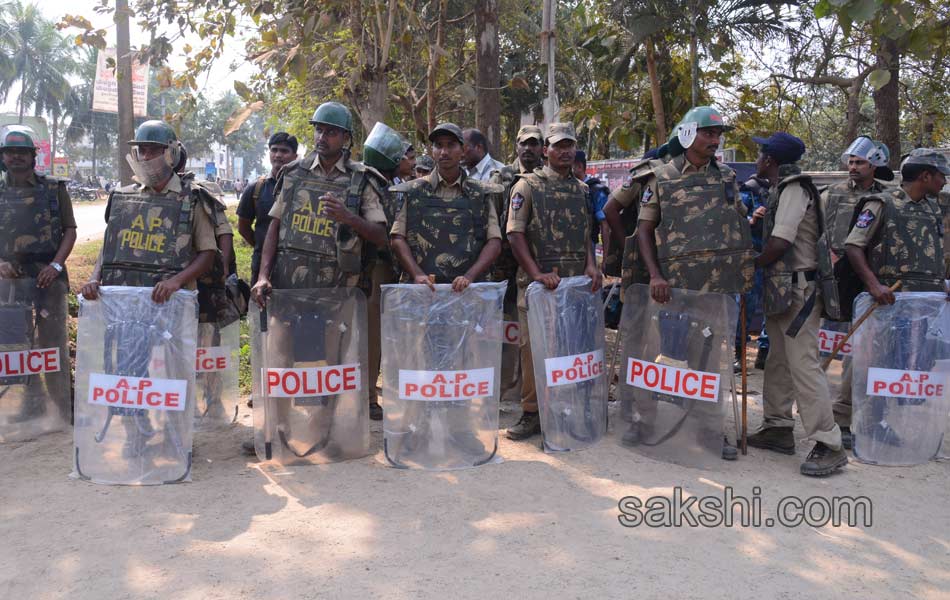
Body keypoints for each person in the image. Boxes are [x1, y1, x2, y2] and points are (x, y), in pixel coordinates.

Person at [247, 102, 389, 457]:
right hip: (287, 290)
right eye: (319, 130)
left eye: (330, 131)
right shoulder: (293, 173)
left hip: (336, 293)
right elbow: (274, 228)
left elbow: (381, 235)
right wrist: (263, 276)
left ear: (346, 138)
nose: (322, 137)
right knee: (279, 362)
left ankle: (324, 432)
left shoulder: (361, 179)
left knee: (328, 366)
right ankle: (275, 433)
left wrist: (348, 217)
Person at [80, 120, 218, 459]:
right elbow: (108, 250)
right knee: (128, 370)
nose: (146, 156)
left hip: (172, 305)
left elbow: (208, 254)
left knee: (175, 373)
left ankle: (177, 437)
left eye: (154, 150)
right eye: (141, 149)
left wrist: (175, 282)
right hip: (127, 304)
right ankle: (135, 435)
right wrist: (96, 277)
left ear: (171, 153)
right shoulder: (124, 197)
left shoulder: (192, 199)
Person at [633, 106, 755, 461]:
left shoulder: (728, 177)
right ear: (688, 134)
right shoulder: (661, 177)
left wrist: (740, 274)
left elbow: (737, 228)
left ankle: (709, 429)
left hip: (712, 291)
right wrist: (655, 275)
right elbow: (644, 230)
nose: (714, 141)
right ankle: (646, 420)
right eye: (708, 133)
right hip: (669, 288)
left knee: (708, 361)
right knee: (654, 356)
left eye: (718, 135)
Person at [745, 132, 846, 477]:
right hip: (784, 288)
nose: (757, 159)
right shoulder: (780, 189)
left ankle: (829, 442)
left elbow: (780, 243)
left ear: (770, 160)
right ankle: (777, 425)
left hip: (799, 289)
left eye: (760, 154)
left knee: (802, 363)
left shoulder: (792, 189)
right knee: (777, 360)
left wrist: (752, 262)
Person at [842, 148, 949, 445]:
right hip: (888, 302)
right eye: (941, 176)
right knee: (876, 365)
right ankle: (863, 424)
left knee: (908, 365)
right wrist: (874, 285)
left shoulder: (933, 207)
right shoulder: (881, 203)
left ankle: (885, 422)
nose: (943, 182)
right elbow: (853, 246)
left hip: (924, 305)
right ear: (925, 175)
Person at [505, 122, 603, 440]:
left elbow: (587, 234)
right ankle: (532, 413)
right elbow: (514, 233)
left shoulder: (582, 189)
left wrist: (591, 265)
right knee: (533, 350)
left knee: (571, 348)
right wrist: (535, 273)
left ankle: (566, 407)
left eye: (569, 145)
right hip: (538, 288)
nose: (565, 151)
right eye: (558, 146)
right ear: (546, 150)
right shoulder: (527, 186)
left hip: (573, 287)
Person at [0, 127, 77, 427]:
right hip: (9, 281)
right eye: (10, 152)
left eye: (22, 152)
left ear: (33, 156)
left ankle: (63, 408)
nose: (16, 157)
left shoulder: (54, 189)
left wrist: (56, 266)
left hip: (49, 278)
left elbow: (70, 230)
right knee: (16, 344)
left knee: (52, 343)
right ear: (4, 157)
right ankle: (31, 405)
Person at [822, 136, 893, 448]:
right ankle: (819, 411)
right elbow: (817, 231)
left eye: (860, 162)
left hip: (867, 277)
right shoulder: (832, 194)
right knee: (824, 344)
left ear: (874, 165)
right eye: (851, 161)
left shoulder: (888, 199)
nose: (853, 167)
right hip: (833, 276)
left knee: (859, 349)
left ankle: (846, 415)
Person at [489, 124, 545, 403]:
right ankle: (503, 389)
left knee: (532, 334)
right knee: (506, 332)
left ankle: (527, 387)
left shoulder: (549, 177)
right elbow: (491, 218)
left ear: (542, 148)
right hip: (504, 267)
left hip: (536, 266)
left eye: (534, 144)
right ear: (516, 146)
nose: (529, 149)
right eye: (524, 143)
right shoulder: (502, 176)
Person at [361, 122, 411, 420]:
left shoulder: (389, 185)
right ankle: (367, 396)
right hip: (376, 268)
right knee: (372, 337)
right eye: (405, 155)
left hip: (392, 269)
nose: (411, 160)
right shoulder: (374, 185)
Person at [237, 133, 298, 285]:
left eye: (284, 151)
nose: (278, 155)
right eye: (274, 150)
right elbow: (243, 228)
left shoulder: (302, 188)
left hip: (295, 266)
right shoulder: (256, 188)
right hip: (261, 269)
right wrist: (263, 249)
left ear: (295, 156)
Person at [573, 150, 611, 270]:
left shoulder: (595, 191)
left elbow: (605, 226)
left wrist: (605, 258)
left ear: (579, 166)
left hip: (587, 252)